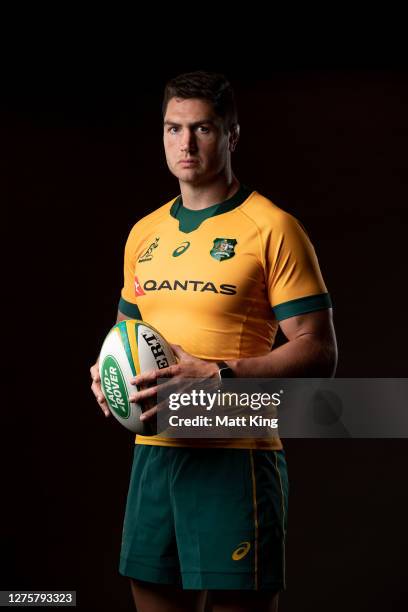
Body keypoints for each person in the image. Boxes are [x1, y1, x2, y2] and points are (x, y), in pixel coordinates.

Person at [90, 71, 337, 612]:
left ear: (232, 135)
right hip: (155, 455)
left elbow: (319, 349)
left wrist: (221, 373)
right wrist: (103, 373)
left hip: (235, 455)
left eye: (202, 128)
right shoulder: (144, 233)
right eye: (173, 128)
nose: (186, 144)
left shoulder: (273, 227)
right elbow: (125, 335)